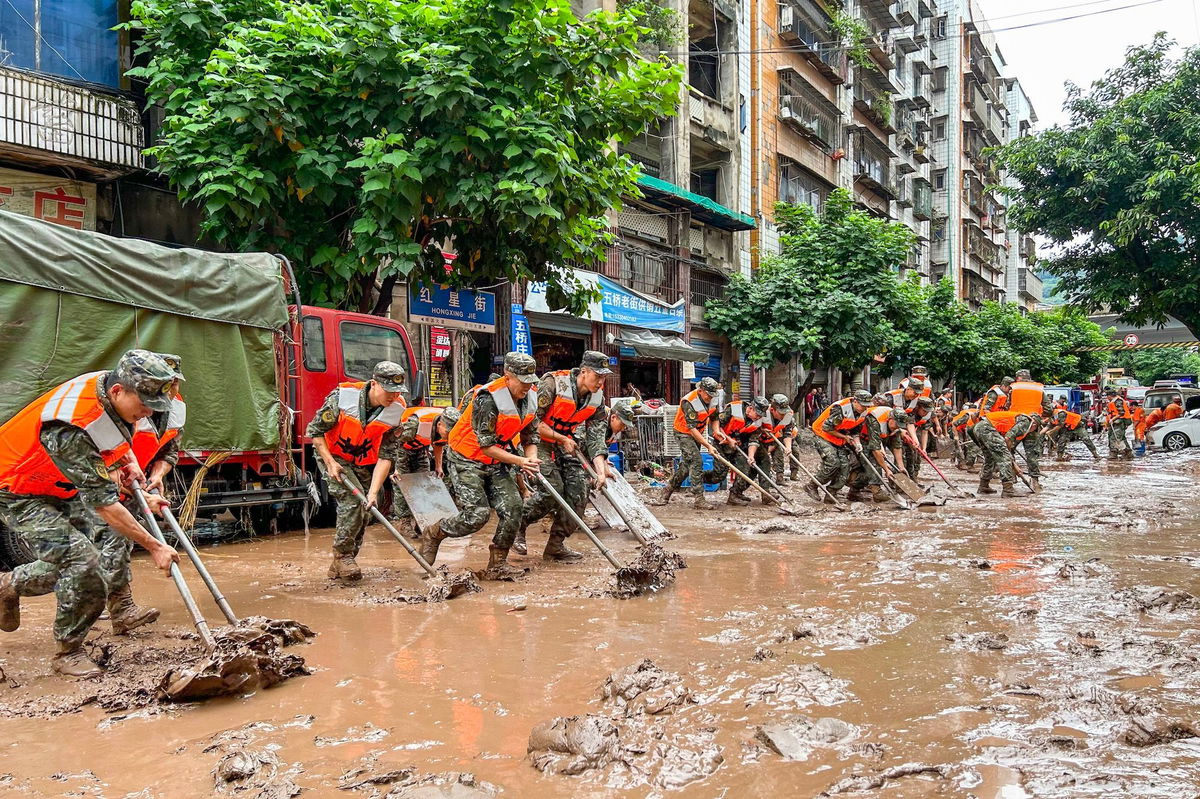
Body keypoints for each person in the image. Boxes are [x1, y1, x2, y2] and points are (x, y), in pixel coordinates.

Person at [0, 350, 181, 677]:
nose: (147, 413)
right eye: (143, 405)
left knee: (110, 543)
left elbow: (111, 445)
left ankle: (11, 584)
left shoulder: (112, 392)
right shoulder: (71, 424)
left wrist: (131, 470)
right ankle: (68, 652)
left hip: (59, 482)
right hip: (15, 487)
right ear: (118, 392)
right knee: (83, 561)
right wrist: (155, 546)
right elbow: (104, 502)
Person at [86, 351, 187, 636]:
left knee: (119, 544)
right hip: (104, 479)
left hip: (135, 482)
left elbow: (170, 450)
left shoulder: (176, 408)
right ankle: (89, 609)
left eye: (173, 383)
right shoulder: (124, 402)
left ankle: (121, 611)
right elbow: (102, 445)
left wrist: (157, 476)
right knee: (84, 552)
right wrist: (115, 471)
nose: (169, 389)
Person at [421, 353, 541, 578]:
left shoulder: (531, 397)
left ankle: (497, 565)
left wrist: (531, 458)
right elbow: (486, 446)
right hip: (467, 457)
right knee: (477, 515)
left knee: (514, 507)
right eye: (523, 380)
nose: (527, 385)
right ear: (508, 377)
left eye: (530, 380)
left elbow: (530, 435)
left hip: (497, 460)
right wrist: (520, 461)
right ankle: (435, 532)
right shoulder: (488, 399)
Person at [308, 361, 408, 581]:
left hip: (362, 461)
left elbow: (385, 456)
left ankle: (342, 562)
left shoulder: (396, 409)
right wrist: (330, 463)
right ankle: (343, 556)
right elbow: (315, 432)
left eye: (398, 391)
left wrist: (374, 492)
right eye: (389, 390)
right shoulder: (342, 398)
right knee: (352, 502)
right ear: (374, 384)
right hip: (333, 455)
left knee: (366, 506)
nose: (393, 396)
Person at [518, 351, 611, 561]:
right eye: (598, 376)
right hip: (538, 439)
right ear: (584, 372)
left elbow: (596, 437)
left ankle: (555, 546)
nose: (600, 382)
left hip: (566, 441)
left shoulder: (598, 398)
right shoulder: (552, 383)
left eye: (604, 377)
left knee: (580, 491)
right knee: (553, 490)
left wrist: (600, 470)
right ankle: (517, 526)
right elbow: (533, 423)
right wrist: (561, 439)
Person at [391, 404, 457, 537]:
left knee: (424, 482)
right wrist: (396, 468)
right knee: (402, 483)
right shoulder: (416, 423)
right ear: (439, 424)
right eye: (447, 433)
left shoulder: (446, 424)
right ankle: (405, 523)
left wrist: (438, 466)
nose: (448, 436)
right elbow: (394, 442)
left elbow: (439, 444)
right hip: (402, 448)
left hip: (420, 448)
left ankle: (422, 522)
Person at [656, 377, 721, 508]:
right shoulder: (689, 401)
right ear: (701, 390)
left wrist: (716, 431)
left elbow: (714, 418)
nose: (710, 398)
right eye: (708, 395)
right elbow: (691, 429)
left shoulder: (713, 398)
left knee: (686, 466)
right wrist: (708, 445)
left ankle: (667, 490)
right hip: (683, 433)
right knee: (696, 460)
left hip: (698, 432)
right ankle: (699, 498)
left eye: (712, 395)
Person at [805, 390, 870, 503]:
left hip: (838, 438)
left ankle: (832, 492)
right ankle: (812, 485)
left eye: (866, 406)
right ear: (855, 401)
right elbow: (827, 428)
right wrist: (845, 437)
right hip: (823, 435)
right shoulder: (840, 409)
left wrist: (857, 443)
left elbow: (855, 430)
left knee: (845, 467)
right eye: (862, 405)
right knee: (833, 462)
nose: (864, 408)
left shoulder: (863, 412)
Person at [704, 395, 770, 506]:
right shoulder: (733, 409)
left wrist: (751, 456)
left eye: (760, 416)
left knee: (745, 467)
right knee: (718, 476)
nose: (758, 417)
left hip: (737, 446)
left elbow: (753, 440)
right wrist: (728, 439)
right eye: (757, 414)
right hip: (721, 444)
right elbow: (716, 425)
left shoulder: (756, 421)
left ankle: (735, 494)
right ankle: (696, 477)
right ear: (750, 408)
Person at [972, 408, 1034, 497]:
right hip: (987, 428)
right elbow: (1008, 438)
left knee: (990, 458)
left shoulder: (1018, 419)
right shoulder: (1026, 421)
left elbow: (1005, 440)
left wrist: (1011, 460)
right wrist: (1011, 461)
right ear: (1034, 424)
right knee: (1004, 458)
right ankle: (1008, 490)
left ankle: (983, 486)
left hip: (979, 427)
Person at [845, 395, 896, 503]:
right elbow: (875, 446)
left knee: (868, 467)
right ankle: (876, 491)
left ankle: (854, 490)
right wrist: (886, 469)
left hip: (867, 437)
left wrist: (882, 449)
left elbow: (878, 438)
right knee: (872, 464)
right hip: (855, 437)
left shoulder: (893, 415)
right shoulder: (874, 418)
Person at [762, 394, 798, 482]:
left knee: (779, 454)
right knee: (763, 460)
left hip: (774, 438)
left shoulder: (787, 417)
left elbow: (787, 433)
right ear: (772, 410)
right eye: (781, 413)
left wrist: (788, 447)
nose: (783, 415)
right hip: (759, 440)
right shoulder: (762, 414)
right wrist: (762, 430)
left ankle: (779, 478)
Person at [1103, 388, 1133, 460]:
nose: (1107, 398)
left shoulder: (1118, 401)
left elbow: (1121, 413)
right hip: (1115, 422)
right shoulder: (1113, 401)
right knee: (1121, 438)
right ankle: (1128, 453)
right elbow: (1111, 412)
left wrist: (1112, 419)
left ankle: (1113, 454)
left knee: (1114, 438)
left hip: (1120, 422)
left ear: (1110, 395)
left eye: (1107, 396)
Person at [951, 403, 982, 470]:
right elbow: (954, 424)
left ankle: (968, 463)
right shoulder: (968, 415)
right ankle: (963, 464)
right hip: (956, 428)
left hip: (966, 427)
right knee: (961, 445)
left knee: (970, 445)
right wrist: (956, 436)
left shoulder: (982, 415)